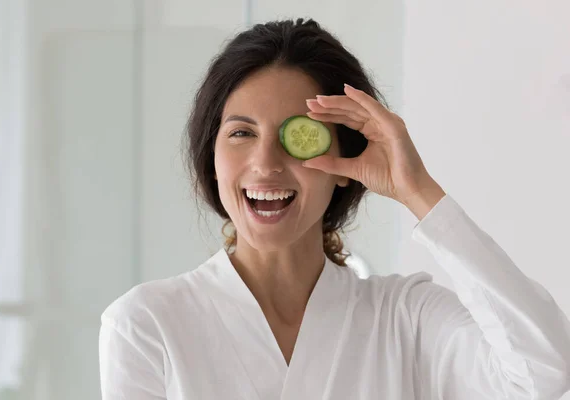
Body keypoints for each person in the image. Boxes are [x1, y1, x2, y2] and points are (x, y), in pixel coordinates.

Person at [98, 18, 570, 399]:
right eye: (241, 133)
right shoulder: (147, 324)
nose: (265, 163)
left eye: (298, 137)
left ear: (345, 163)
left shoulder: (405, 318)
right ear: (212, 158)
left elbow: (543, 372)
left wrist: (417, 189)